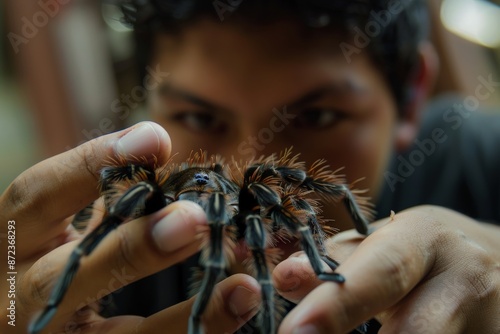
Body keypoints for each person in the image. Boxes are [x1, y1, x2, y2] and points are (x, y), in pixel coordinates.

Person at [1, 1, 500, 333]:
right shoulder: (119, 242)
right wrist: (10, 291)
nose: (247, 157)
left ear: (411, 93)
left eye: (318, 116)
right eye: (199, 116)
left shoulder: (480, 156)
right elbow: (20, 266)